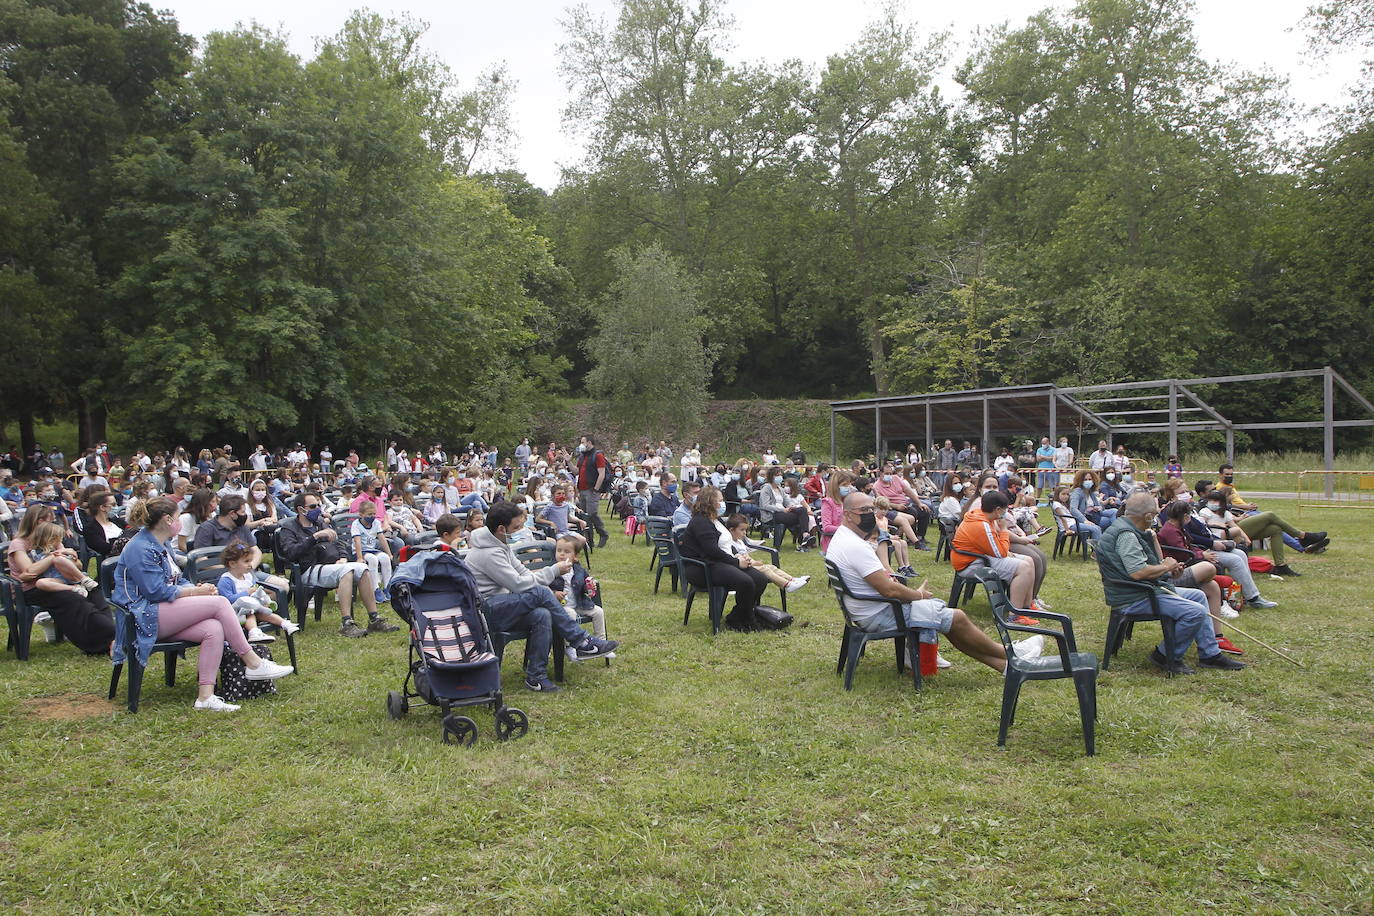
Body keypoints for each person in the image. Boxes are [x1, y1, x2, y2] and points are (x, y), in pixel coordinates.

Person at [830, 490, 1044, 673]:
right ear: (847, 515)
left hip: (865, 610)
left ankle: (1006, 666)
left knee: (950, 621)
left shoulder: (843, 538)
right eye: (865, 511)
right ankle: (1012, 653)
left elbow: (883, 584)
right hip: (880, 614)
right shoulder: (856, 547)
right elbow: (889, 591)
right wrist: (918, 596)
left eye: (872, 508)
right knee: (957, 618)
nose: (871, 514)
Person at [112, 497, 294, 711]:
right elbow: (155, 591)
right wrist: (194, 592)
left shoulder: (159, 543)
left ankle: (205, 697)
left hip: (161, 610)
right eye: (178, 517)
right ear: (167, 519)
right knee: (218, 604)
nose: (181, 522)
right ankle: (253, 662)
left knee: (213, 629)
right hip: (142, 615)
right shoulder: (140, 548)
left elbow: (177, 579)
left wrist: (196, 588)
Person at [464, 502, 618, 692]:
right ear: (501, 528)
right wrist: (553, 571)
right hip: (487, 613)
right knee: (542, 592)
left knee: (542, 615)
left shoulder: (499, 544)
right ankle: (581, 641)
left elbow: (522, 572)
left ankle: (536, 677)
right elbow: (518, 584)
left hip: (501, 607)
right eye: (516, 527)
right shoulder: (488, 553)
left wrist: (544, 579)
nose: (520, 530)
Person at [1095, 493, 1245, 674]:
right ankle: (1164, 655)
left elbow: (1140, 567)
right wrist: (1165, 567)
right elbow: (1137, 572)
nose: (1158, 516)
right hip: (1134, 596)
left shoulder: (1129, 529)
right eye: (1156, 512)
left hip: (1144, 590)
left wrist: (1167, 569)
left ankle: (1209, 654)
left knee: (1198, 595)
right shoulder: (1126, 535)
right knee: (1194, 612)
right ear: (1148, 516)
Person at [276, 493, 393, 638]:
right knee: (347, 571)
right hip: (307, 570)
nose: (318, 509)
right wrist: (315, 537)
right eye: (313, 506)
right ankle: (347, 623)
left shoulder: (319, 523)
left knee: (363, 568)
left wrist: (343, 557)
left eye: (319, 505)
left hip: (331, 566)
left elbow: (339, 542)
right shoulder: (289, 528)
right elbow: (291, 553)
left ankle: (374, 619)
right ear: (301, 510)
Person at [678, 486, 771, 632]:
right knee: (746, 582)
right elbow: (712, 550)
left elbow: (726, 544)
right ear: (710, 502)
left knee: (760, 579)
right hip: (703, 568)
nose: (723, 503)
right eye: (720, 500)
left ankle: (736, 616)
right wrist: (736, 562)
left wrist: (738, 555)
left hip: (719, 563)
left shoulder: (716, 519)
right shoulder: (700, 522)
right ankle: (748, 620)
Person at [951, 490, 1038, 611]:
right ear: (997, 510)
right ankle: (1015, 614)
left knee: (1029, 560)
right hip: (970, 565)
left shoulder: (981, 515)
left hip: (978, 558)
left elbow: (994, 545)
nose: (1006, 513)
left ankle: (1027, 606)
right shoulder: (981, 524)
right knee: (1023, 567)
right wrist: (1003, 529)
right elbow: (1001, 553)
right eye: (1005, 509)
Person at [216, 541, 299, 643]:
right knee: (250, 614)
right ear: (232, 564)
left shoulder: (247, 576)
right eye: (246, 561)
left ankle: (284, 624)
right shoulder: (226, 580)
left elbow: (256, 590)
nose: (250, 565)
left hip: (253, 607)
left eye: (250, 561)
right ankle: (254, 632)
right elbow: (227, 600)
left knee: (264, 612)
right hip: (236, 613)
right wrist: (247, 592)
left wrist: (263, 599)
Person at [722, 514, 809, 592]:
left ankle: (792, 580)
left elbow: (746, 556)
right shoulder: (729, 543)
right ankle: (786, 585)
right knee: (765, 569)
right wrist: (754, 563)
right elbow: (738, 559)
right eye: (742, 530)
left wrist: (754, 562)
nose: (745, 533)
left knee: (772, 567)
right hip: (739, 569)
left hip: (748, 565)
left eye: (746, 530)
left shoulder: (739, 542)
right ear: (732, 530)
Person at [552, 534, 609, 644]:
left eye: (567, 551)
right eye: (559, 550)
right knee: (570, 615)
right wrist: (554, 593)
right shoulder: (552, 571)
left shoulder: (579, 570)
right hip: (561, 607)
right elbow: (544, 588)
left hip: (579, 604)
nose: (562, 554)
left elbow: (585, 586)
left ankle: (601, 641)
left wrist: (589, 588)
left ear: (575, 556)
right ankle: (570, 646)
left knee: (598, 612)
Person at [351, 500, 394, 603]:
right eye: (369, 514)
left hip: (372, 549)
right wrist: (360, 557)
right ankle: (375, 589)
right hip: (360, 551)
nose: (372, 516)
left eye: (374, 514)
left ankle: (388, 587)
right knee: (373, 559)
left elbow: (382, 538)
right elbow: (357, 541)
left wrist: (389, 553)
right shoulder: (356, 524)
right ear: (361, 514)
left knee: (385, 558)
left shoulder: (376, 523)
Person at [574, 434, 611, 548]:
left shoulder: (598, 455)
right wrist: (568, 462)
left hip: (592, 489)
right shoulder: (582, 456)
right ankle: (589, 540)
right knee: (585, 515)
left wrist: (596, 489)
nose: (581, 445)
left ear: (589, 442)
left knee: (592, 513)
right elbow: (576, 471)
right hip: (582, 489)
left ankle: (603, 533)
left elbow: (601, 473)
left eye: (583, 442)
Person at [76, 489, 125, 561]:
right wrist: (123, 539)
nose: (116, 507)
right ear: (102, 507)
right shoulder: (90, 529)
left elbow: (133, 531)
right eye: (113, 504)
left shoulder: (117, 521)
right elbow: (104, 548)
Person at [1068, 469, 1116, 542]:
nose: (1088, 481)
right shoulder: (1077, 492)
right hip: (1086, 518)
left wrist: (1097, 508)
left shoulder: (1091, 492)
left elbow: (1100, 506)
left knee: (1114, 511)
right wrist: (1084, 520)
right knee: (1110, 522)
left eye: (1090, 479)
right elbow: (1073, 509)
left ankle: (1110, 539)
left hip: (1095, 514)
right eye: (1085, 479)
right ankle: (1111, 539)